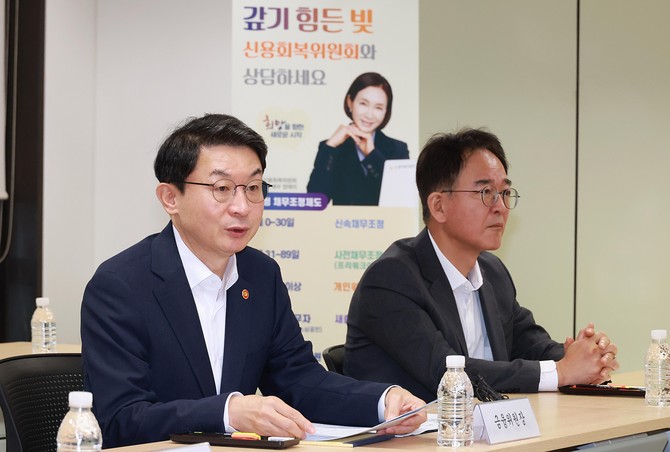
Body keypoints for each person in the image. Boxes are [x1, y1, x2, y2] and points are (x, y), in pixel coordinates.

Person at [80, 113, 427, 448]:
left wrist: (383, 401)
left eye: (253, 188)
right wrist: (229, 412)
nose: (242, 207)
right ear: (171, 198)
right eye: (222, 188)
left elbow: (298, 380)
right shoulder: (121, 286)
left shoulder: (261, 275)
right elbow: (121, 420)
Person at [343, 128, 619, 403]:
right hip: (413, 429)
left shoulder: (492, 271)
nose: (500, 206)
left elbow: (530, 344)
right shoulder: (391, 279)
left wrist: (584, 357)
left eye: (505, 192)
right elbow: (446, 372)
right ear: (438, 206)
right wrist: (561, 372)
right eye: (486, 192)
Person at [306, 72, 409, 205]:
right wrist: (330, 146)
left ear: (386, 111)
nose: (369, 114)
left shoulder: (397, 149)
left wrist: (372, 155)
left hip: (384, 219)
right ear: (350, 102)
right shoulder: (331, 148)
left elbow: (401, 199)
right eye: (363, 104)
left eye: (378, 107)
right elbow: (315, 200)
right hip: (342, 219)